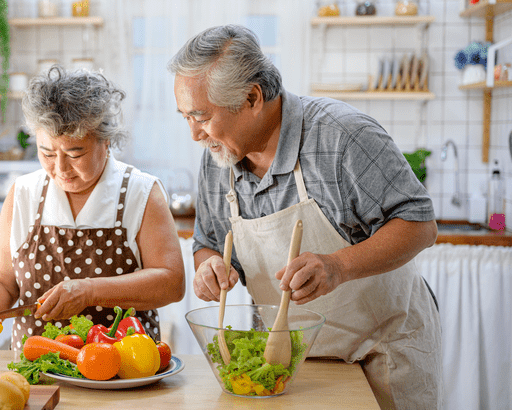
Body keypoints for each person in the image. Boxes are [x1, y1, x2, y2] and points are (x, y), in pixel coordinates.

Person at [168, 25, 441, 409]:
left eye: (201, 116)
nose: (195, 134)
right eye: (186, 117)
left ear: (252, 97)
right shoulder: (219, 157)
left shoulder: (342, 135)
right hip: (286, 365)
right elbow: (208, 242)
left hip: (380, 356)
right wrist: (210, 265)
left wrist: (338, 266)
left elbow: (419, 224)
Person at [0, 66, 185, 354]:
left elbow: (171, 283)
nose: (60, 169)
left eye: (75, 153)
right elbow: (2, 279)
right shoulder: (24, 193)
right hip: (38, 368)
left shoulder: (140, 192)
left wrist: (89, 291)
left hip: (124, 371)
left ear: (106, 140)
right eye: (47, 153)